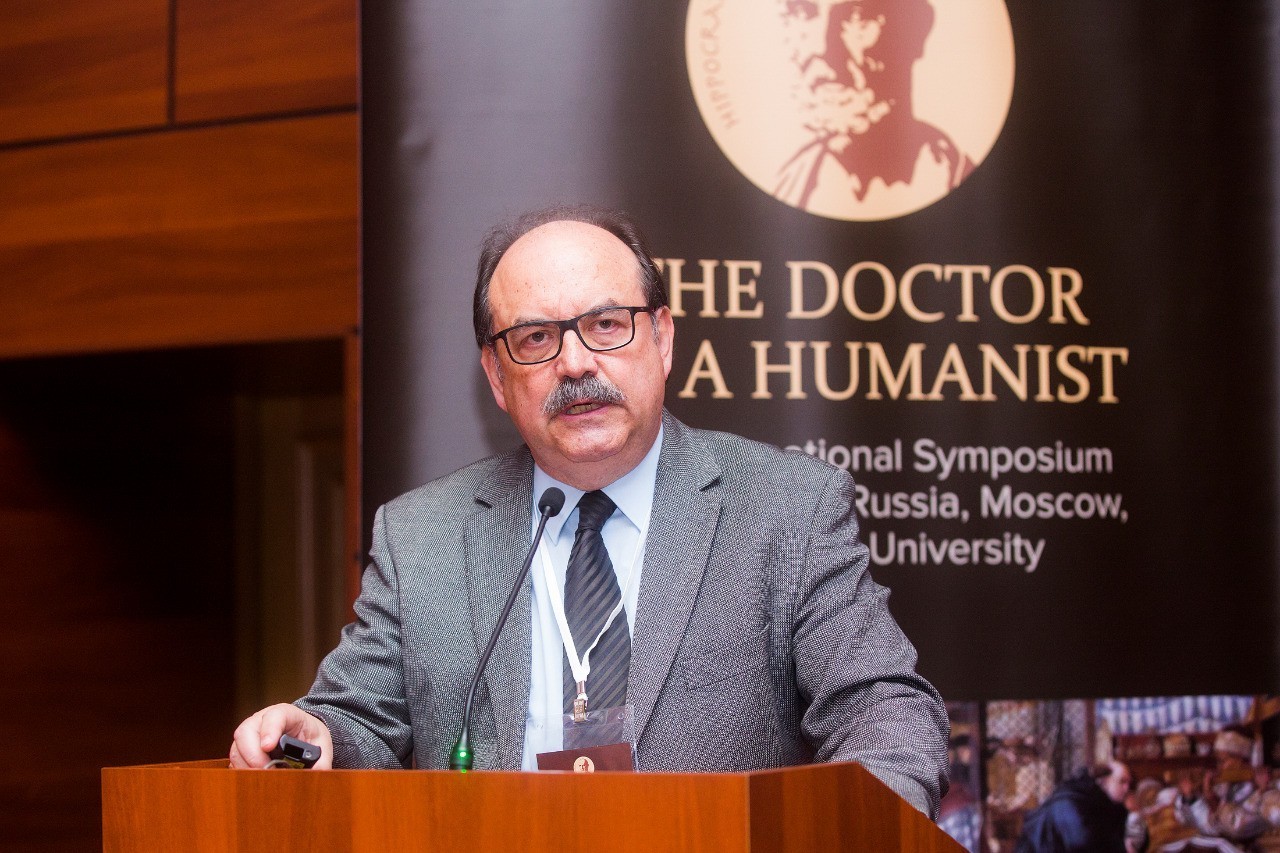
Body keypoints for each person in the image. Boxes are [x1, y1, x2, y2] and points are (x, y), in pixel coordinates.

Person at [229, 204, 949, 816]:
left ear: (662, 338)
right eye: (536, 338)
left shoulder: (785, 508)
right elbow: (359, 720)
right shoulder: (422, 536)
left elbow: (884, 711)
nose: (574, 363)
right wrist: (311, 736)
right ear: (497, 376)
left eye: (606, 324)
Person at [774, 0, 974, 213]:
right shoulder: (792, 182)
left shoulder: (952, 172)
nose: (823, 49)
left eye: (856, 17)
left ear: (914, 35)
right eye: (802, 14)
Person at [1016, 761, 1132, 852]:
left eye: (1129, 783)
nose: (1126, 788)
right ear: (1104, 781)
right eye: (1122, 782)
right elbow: (1081, 843)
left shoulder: (1108, 806)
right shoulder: (1072, 800)